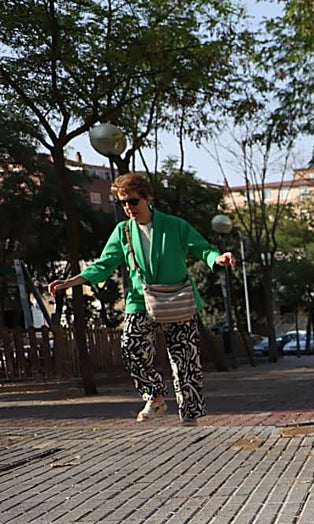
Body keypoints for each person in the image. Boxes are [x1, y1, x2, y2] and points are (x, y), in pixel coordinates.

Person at [49, 173, 235, 426]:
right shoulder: (123, 231)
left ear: (147, 198)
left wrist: (217, 259)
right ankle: (155, 395)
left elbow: (201, 248)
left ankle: (190, 415)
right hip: (141, 299)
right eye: (122, 203)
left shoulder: (175, 225)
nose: (128, 208)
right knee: (131, 346)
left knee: (185, 360)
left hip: (177, 297)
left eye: (133, 201)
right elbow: (104, 264)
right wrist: (72, 281)